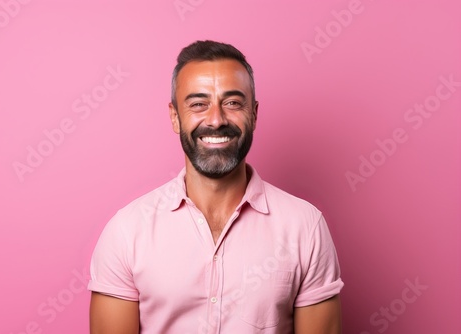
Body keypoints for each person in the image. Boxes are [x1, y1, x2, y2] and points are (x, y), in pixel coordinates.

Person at [88, 40, 344, 334]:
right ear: (175, 117)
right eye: (198, 104)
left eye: (233, 103)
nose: (216, 120)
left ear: (255, 114)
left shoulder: (305, 226)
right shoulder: (127, 231)